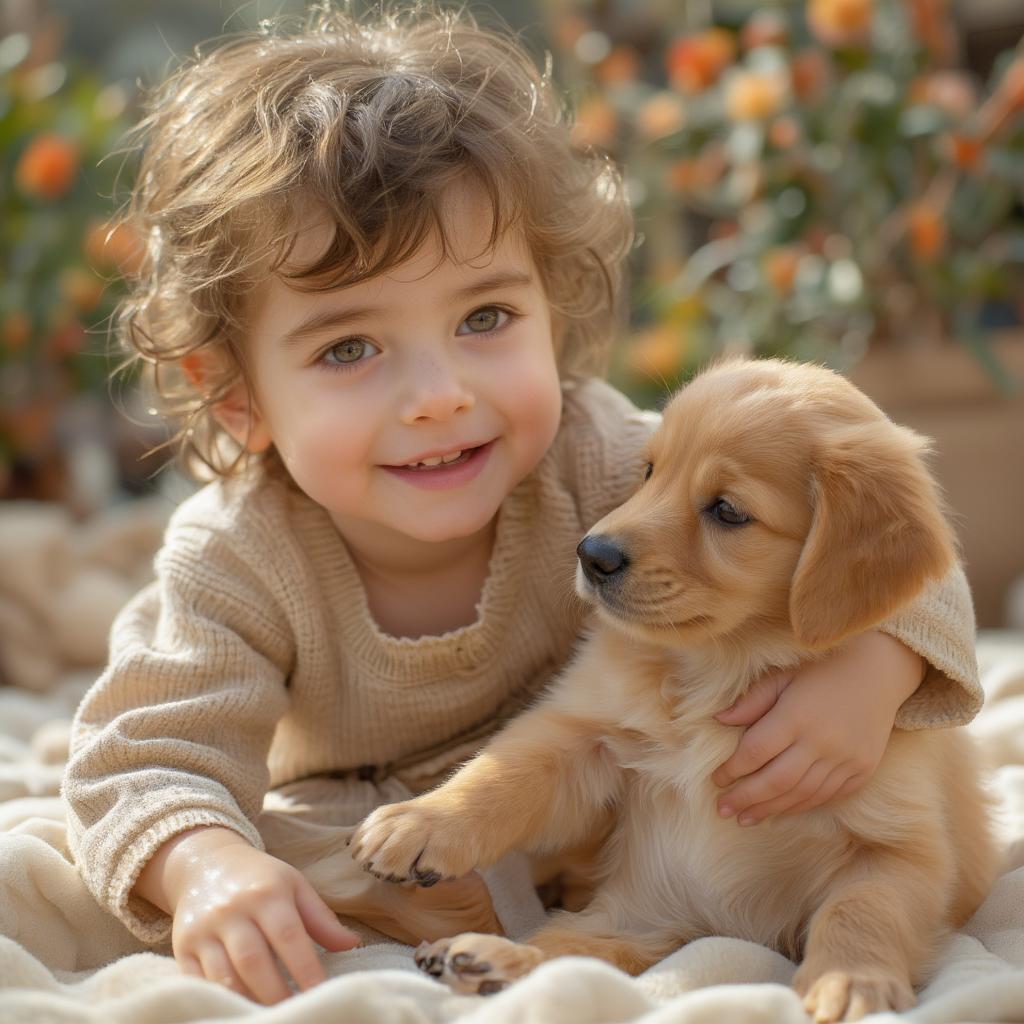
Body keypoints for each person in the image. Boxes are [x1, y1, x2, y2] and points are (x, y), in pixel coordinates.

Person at [62, 3, 983, 1008]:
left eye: (486, 317)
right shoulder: (236, 561)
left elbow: (914, 568)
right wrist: (203, 866)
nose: (439, 394)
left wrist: (868, 670)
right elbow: (141, 760)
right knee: (296, 852)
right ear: (239, 397)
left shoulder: (615, 461)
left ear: (555, 310)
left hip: (630, 825)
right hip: (380, 824)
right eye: (349, 347)